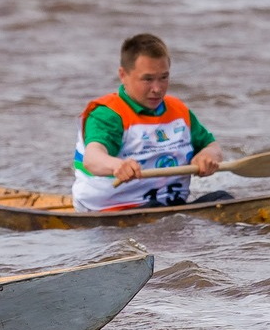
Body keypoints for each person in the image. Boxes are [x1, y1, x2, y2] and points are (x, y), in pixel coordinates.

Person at [71, 33, 228, 212]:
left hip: (170, 206)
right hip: (115, 210)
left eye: (163, 77)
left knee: (222, 200)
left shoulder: (179, 110)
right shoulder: (108, 115)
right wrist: (116, 166)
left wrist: (208, 156)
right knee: (156, 212)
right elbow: (92, 158)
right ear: (123, 75)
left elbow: (213, 146)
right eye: (148, 79)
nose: (157, 88)